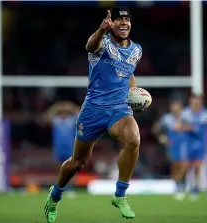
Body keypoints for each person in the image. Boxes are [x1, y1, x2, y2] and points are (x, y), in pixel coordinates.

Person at [44, 7, 143, 223]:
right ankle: (55, 195)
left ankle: (120, 194)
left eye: (127, 19)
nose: (124, 23)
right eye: (119, 19)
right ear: (112, 23)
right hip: (93, 110)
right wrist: (101, 30)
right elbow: (90, 46)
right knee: (77, 163)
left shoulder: (136, 50)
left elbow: (129, 73)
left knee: (133, 139)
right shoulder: (102, 43)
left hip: (119, 109)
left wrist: (133, 93)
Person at [179, 94, 207, 200]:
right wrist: (188, 127)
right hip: (188, 143)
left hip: (200, 144)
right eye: (194, 102)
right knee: (186, 166)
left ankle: (194, 188)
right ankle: (181, 187)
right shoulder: (185, 113)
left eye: (198, 102)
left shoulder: (206, 114)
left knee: (197, 166)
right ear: (190, 102)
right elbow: (179, 126)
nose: (196, 104)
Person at [152, 99, 191, 200]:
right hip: (172, 145)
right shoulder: (166, 118)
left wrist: (183, 128)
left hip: (185, 144)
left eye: (177, 106)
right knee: (175, 165)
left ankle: (181, 184)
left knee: (185, 165)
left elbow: (193, 127)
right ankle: (178, 185)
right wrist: (163, 139)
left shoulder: (186, 117)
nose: (175, 108)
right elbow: (155, 129)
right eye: (174, 106)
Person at [42, 101, 80, 199]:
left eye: (65, 111)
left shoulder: (71, 120)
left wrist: (70, 106)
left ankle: (71, 189)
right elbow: (45, 117)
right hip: (58, 148)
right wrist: (56, 107)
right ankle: (59, 189)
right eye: (62, 111)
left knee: (71, 169)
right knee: (59, 170)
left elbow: (80, 114)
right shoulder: (56, 120)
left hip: (70, 148)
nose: (63, 113)